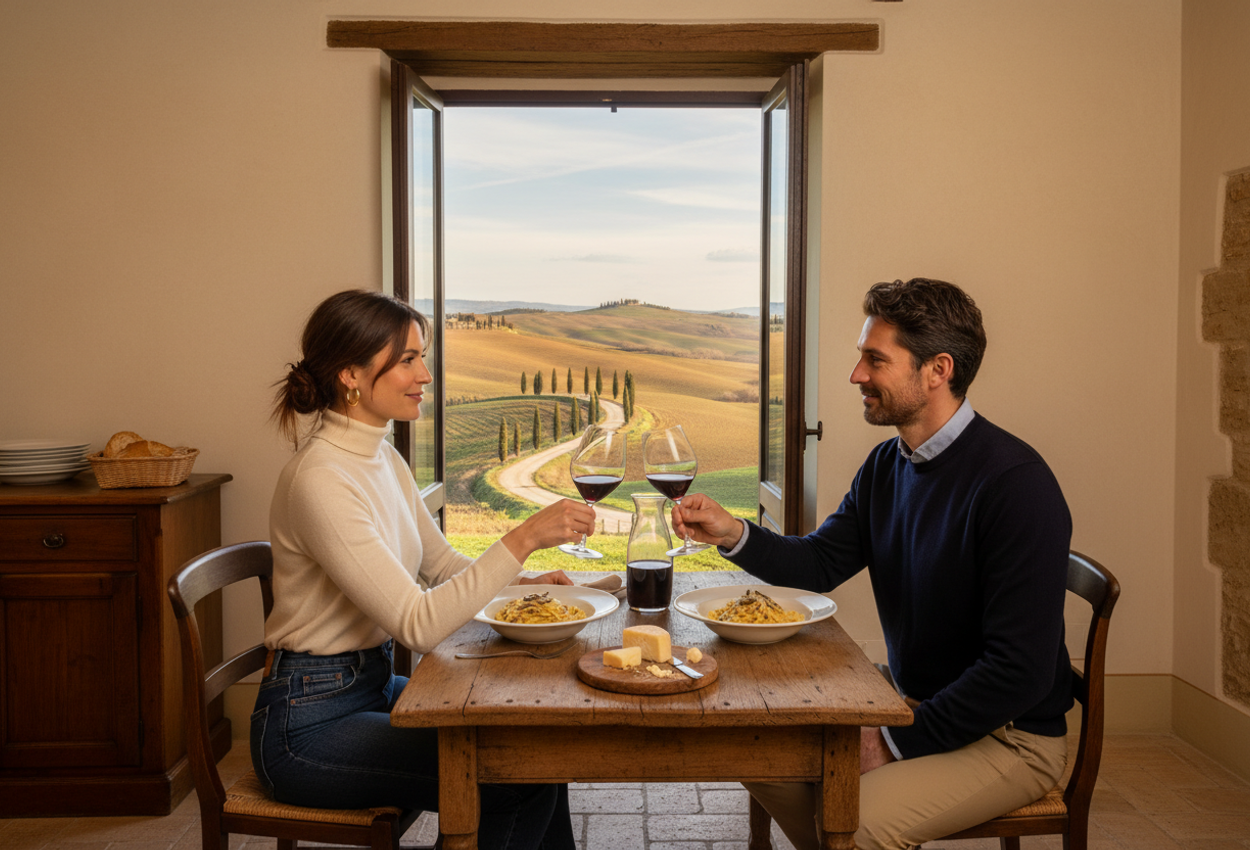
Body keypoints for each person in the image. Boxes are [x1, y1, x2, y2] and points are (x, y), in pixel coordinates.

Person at [673, 278, 1072, 850]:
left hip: (1008, 737)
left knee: (849, 826)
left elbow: (1019, 671)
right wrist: (732, 532)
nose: (856, 375)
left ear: (938, 370)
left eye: (874, 359)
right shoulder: (889, 464)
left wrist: (887, 742)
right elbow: (818, 562)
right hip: (913, 704)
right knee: (754, 745)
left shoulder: (1016, 486)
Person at [254, 289, 593, 850]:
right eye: (408, 359)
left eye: (421, 357)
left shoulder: (381, 455)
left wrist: (523, 586)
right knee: (514, 779)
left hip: (372, 686)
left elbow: (440, 566)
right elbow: (417, 623)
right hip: (307, 725)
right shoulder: (321, 479)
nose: (425, 375)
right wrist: (524, 537)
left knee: (534, 751)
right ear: (351, 376)